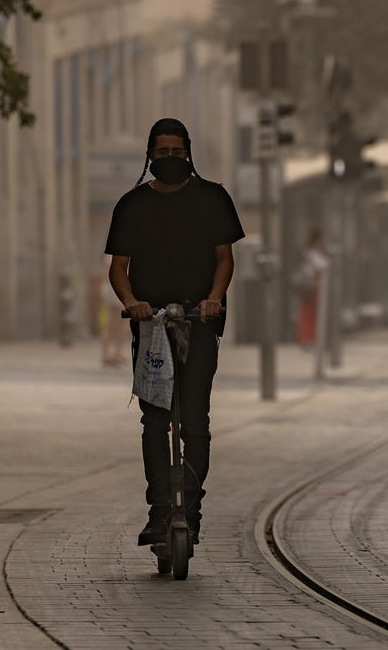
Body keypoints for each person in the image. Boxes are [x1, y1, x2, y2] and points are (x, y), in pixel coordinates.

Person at [105, 118, 245, 549]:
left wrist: (214, 298)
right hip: (150, 331)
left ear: (189, 153)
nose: (170, 159)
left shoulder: (213, 199)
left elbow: (225, 259)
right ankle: (160, 510)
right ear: (149, 156)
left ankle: (192, 509)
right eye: (162, 153)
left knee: (196, 422)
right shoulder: (131, 205)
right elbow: (117, 268)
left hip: (200, 324)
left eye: (177, 152)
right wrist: (132, 302)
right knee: (154, 422)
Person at [295, 228, 329, 346]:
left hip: (314, 286)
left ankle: (311, 337)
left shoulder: (313, 253)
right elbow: (322, 266)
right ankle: (307, 337)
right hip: (313, 286)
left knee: (312, 313)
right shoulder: (312, 253)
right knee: (310, 313)